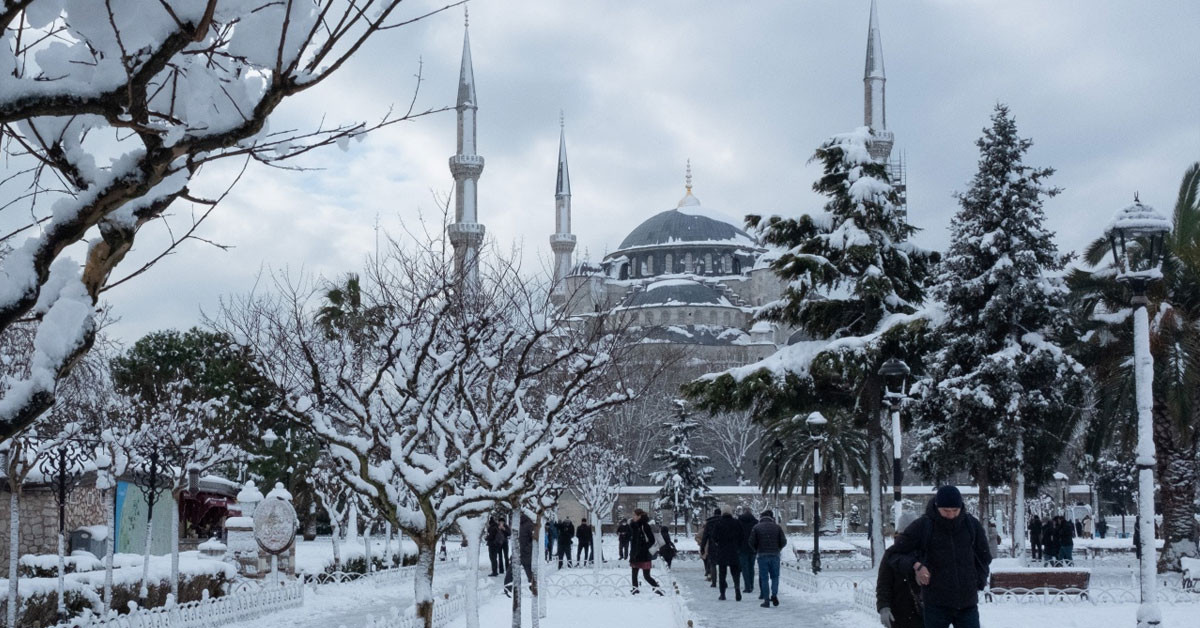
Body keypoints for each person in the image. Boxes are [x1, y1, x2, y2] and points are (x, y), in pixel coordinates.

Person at [888, 486, 992, 628]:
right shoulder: (923, 526)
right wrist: (916, 566)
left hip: (967, 604)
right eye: (946, 511)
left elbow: (984, 556)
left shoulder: (971, 525)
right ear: (937, 507)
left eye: (955, 510)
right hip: (936, 604)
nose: (951, 515)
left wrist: (978, 580)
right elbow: (895, 554)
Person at [877, 512, 922, 628]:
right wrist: (884, 607)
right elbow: (884, 584)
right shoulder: (891, 553)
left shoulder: (926, 551)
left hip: (924, 614)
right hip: (900, 614)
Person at [748, 509, 786, 608]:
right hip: (775, 555)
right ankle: (774, 595)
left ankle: (766, 600)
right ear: (771, 517)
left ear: (761, 517)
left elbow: (751, 542)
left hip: (762, 555)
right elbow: (784, 541)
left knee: (764, 578)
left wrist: (757, 549)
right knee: (775, 577)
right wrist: (778, 548)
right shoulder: (777, 527)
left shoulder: (756, 527)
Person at [711, 508, 744, 601]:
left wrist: (718, 543)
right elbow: (742, 536)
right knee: (735, 572)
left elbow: (714, 537)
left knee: (722, 573)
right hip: (734, 550)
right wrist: (738, 546)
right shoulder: (737, 523)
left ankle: (722, 594)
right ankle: (737, 588)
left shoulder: (719, 523)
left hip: (722, 550)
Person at [628, 508, 664, 595]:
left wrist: (643, 548)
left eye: (635, 515)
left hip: (643, 554)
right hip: (635, 553)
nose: (633, 517)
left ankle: (657, 588)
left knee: (646, 575)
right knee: (634, 573)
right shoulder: (633, 526)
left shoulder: (645, 526)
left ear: (639, 516)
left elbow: (651, 540)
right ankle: (635, 589)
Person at [504, 513, 535, 596]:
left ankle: (534, 587)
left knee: (529, 572)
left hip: (526, 553)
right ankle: (507, 588)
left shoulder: (529, 525)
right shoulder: (517, 525)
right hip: (517, 552)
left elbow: (534, 540)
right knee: (510, 570)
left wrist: (527, 549)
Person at [736, 506, 758, 594]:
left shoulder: (739, 522)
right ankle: (751, 585)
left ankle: (747, 586)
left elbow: (736, 536)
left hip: (742, 548)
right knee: (751, 567)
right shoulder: (756, 523)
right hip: (753, 548)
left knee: (744, 568)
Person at [699, 507, 722, 587]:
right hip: (722, 546)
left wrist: (702, 548)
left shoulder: (709, 523)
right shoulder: (723, 521)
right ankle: (723, 581)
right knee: (723, 565)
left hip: (712, 546)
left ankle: (714, 581)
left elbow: (705, 537)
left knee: (713, 564)